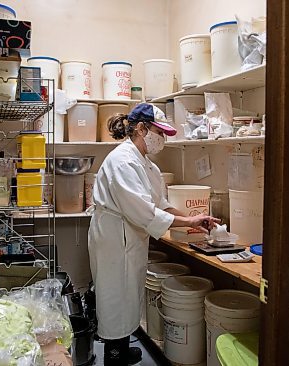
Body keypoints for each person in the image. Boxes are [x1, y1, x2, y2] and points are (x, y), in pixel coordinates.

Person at [88, 103, 220, 365]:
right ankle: (115, 356)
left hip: (131, 236)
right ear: (140, 128)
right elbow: (143, 211)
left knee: (129, 293)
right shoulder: (122, 161)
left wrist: (193, 218)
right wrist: (185, 221)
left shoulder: (147, 166)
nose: (161, 139)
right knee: (115, 295)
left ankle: (124, 348)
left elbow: (160, 204)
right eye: (158, 132)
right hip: (115, 236)